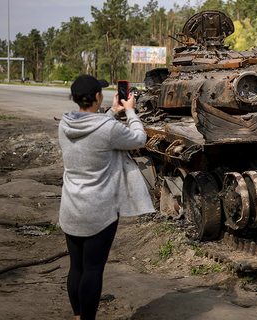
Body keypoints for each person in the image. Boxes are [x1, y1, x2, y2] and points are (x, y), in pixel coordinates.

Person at [59, 75, 154, 320]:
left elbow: (96, 131)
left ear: (75, 98)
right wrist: (130, 112)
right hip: (99, 213)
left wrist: (111, 111)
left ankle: (79, 316)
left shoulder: (65, 124)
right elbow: (139, 139)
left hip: (70, 209)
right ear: (98, 97)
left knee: (76, 267)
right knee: (93, 269)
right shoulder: (108, 129)